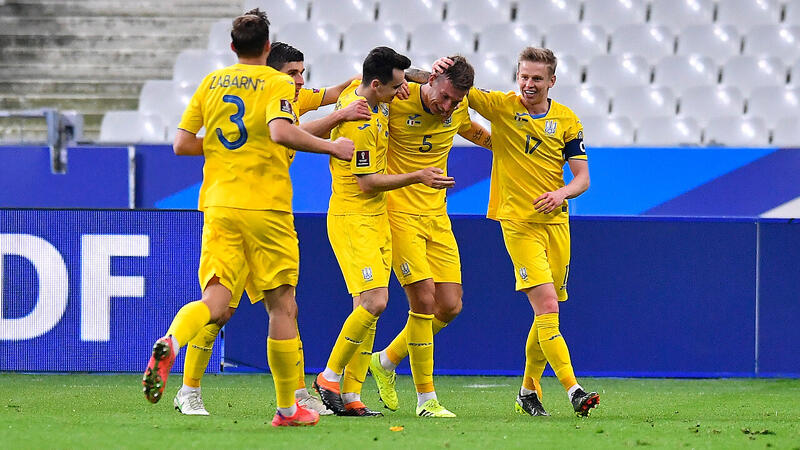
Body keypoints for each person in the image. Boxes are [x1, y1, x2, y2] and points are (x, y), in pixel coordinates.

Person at [141, 9, 354, 428]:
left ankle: (172, 339)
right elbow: (279, 131)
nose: (298, 81)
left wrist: (225, 146)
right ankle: (287, 409)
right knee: (282, 306)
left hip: (219, 205)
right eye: (294, 73)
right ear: (268, 49)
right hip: (266, 209)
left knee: (215, 303)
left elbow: (183, 145)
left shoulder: (211, 82)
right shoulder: (276, 86)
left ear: (233, 47)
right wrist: (333, 147)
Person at [434, 47, 599, 417]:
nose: (528, 84)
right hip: (518, 223)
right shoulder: (502, 107)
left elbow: (583, 178)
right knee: (548, 307)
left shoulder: (567, 120)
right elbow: (457, 86)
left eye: (536, 78)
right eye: (523, 76)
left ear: (551, 81)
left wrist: (561, 192)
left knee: (547, 317)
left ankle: (527, 391)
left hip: (557, 225)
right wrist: (437, 66)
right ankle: (574, 390)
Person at [312, 46, 455, 417]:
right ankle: (328, 376)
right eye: (395, 87)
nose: (401, 92)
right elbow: (367, 183)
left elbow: (408, 79)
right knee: (375, 302)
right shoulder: (358, 122)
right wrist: (418, 176)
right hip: (352, 217)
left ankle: (352, 394)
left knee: (367, 308)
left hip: (377, 219)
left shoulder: (377, 99)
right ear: (376, 85)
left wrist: (428, 75)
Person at [367, 55, 491, 417]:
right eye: (446, 96)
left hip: (437, 215)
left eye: (456, 101)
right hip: (397, 211)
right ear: (432, 81)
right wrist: (413, 72)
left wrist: (509, 148)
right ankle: (426, 400)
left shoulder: (458, 106)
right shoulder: (397, 97)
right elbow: (369, 78)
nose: (448, 106)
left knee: (450, 305)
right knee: (422, 300)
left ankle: (385, 361)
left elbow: (471, 130)